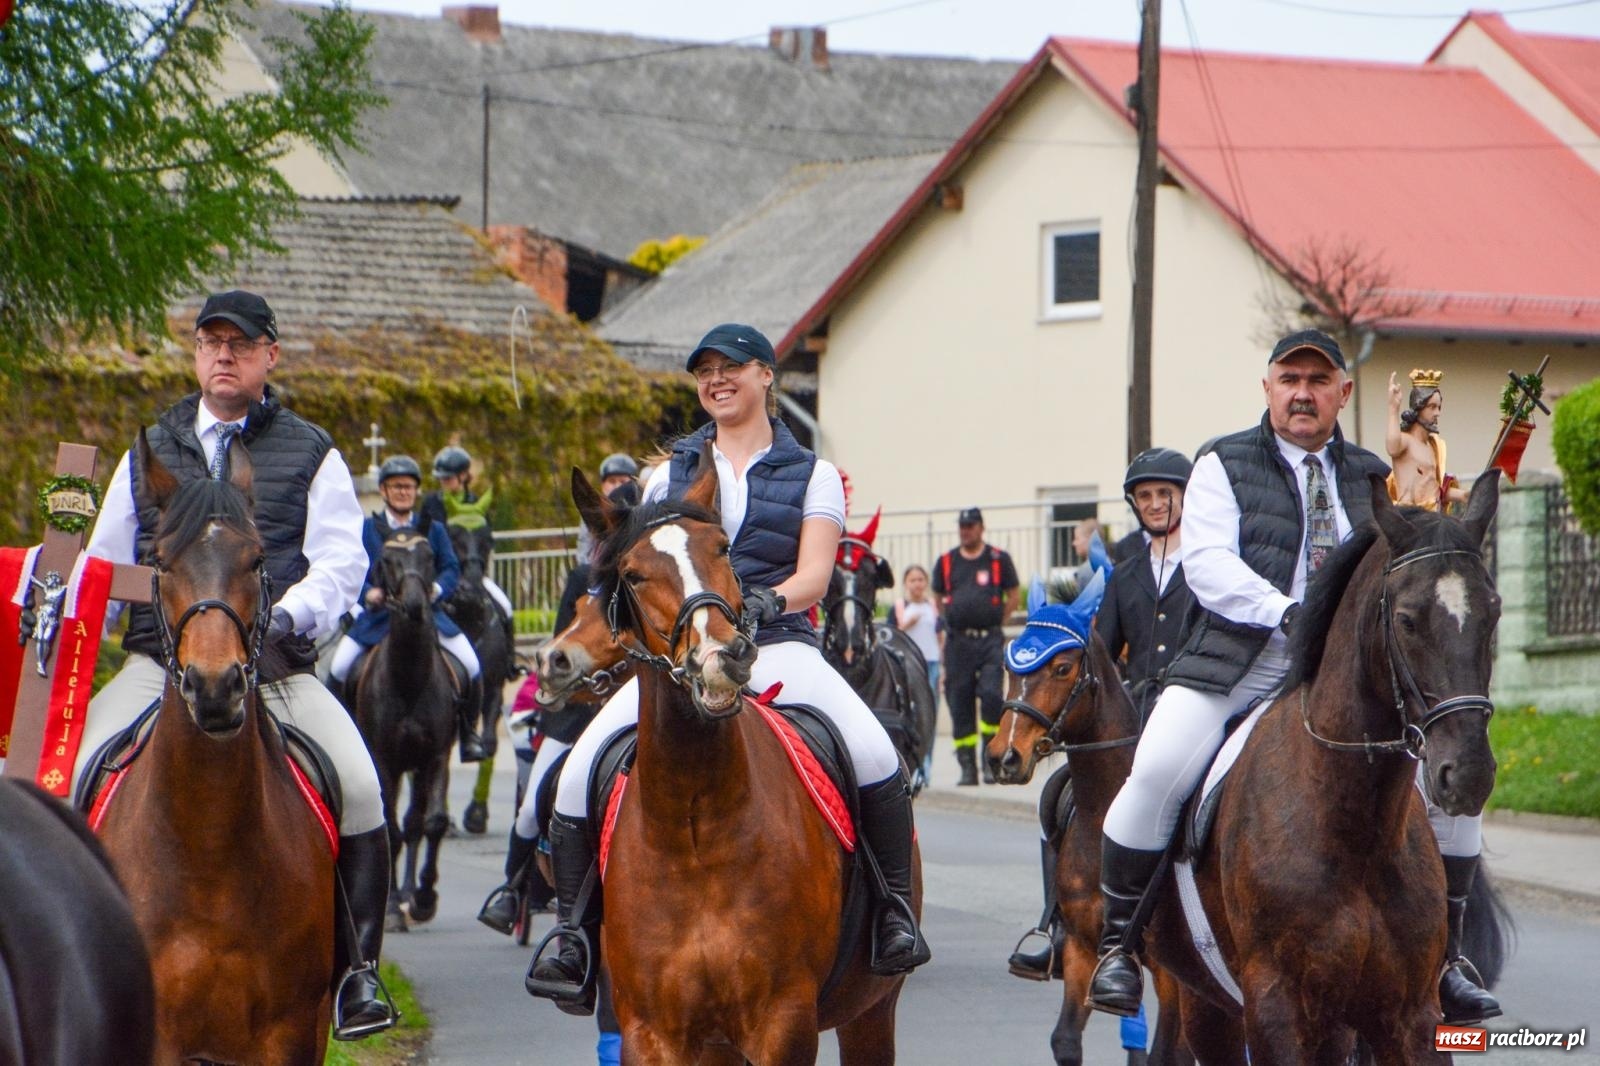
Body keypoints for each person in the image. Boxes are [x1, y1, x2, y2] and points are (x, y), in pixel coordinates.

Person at [1085, 329, 1500, 1026]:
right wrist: (1288, 613)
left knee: (1456, 796)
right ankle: (1119, 944)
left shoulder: (1372, 472)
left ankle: (1450, 958)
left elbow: (1418, 562)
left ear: (1343, 392)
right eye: (1288, 379)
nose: (1302, 393)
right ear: (1269, 388)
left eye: (1318, 380)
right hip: (1242, 659)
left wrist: (1422, 470)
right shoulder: (1222, 462)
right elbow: (1209, 565)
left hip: (1352, 675)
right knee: (1155, 770)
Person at [526, 323, 930, 1015]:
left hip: (777, 646)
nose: (717, 379)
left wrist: (763, 602)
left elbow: (815, 573)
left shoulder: (815, 473)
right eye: (705, 370)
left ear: (766, 376)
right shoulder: (667, 475)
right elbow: (639, 568)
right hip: (678, 660)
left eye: (732, 367)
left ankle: (893, 916)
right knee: (574, 775)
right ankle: (573, 937)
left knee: (875, 757)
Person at [76, 290, 396, 1040]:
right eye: (212, 342)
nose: (225, 355)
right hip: (162, 667)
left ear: (268, 356)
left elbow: (342, 562)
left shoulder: (313, 452)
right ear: (195, 354)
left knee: (360, 787)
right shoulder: (150, 450)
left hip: (275, 669)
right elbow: (101, 562)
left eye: (241, 344)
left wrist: (288, 617)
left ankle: (358, 977)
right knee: (71, 777)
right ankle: (73, 962)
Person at [1007, 448, 1198, 1024]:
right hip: (1133, 705)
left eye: (1165, 494)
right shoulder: (1123, 566)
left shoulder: (1210, 556)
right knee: (1059, 796)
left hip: (1196, 697)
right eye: (1145, 497)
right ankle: (1054, 921)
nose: (1156, 504)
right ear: (1135, 506)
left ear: (1183, 497)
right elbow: (1102, 647)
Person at [327, 454, 487, 763]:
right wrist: (366, 594)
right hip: (379, 618)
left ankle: (469, 734)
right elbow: (350, 571)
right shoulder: (367, 529)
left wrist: (435, 589)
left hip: (426, 616)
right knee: (338, 668)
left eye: (409, 487)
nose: (404, 492)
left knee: (471, 664)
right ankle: (342, 739)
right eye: (397, 486)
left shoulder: (432, 528)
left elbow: (451, 567)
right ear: (384, 491)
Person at [932, 508, 1020, 786]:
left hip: (990, 639)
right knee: (959, 702)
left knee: (992, 695)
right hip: (958, 642)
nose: (965, 531)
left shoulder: (998, 559)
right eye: (962, 526)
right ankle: (967, 767)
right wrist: (952, 618)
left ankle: (989, 758)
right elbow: (938, 596)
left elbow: (1014, 595)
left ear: (982, 528)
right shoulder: (946, 562)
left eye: (970, 526)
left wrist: (996, 620)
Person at [423, 444, 519, 649]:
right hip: (440, 575)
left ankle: (510, 660)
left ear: (464, 476)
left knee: (505, 606)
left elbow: (486, 541)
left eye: (448, 479)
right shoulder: (431, 504)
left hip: (473, 573)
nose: (444, 483)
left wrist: (478, 569)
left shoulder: (476, 504)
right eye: (441, 479)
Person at [1387, 368, 1468, 512]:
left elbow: (1435, 490)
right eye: (1432, 407)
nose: (1437, 413)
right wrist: (1394, 409)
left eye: (1439, 407)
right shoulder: (1406, 441)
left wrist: (1463, 495)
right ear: (1418, 407)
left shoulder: (1433, 446)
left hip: (1432, 518)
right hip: (1411, 519)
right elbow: (1392, 447)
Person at [892, 564, 942, 693]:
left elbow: (939, 632)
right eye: (912, 580)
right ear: (905, 583)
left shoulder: (932, 606)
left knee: (931, 699)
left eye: (920, 580)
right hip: (908, 661)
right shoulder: (900, 606)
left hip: (932, 660)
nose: (917, 584)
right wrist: (907, 625)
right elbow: (891, 635)